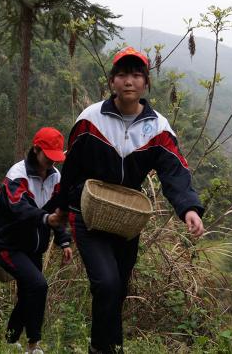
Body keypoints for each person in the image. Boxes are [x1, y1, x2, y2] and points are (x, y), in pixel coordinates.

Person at [59, 47, 205, 354]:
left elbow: (174, 170)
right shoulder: (90, 119)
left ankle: (114, 346)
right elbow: (70, 168)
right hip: (89, 213)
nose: (129, 81)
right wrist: (61, 209)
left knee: (118, 288)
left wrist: (189, 208)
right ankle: (101, 348)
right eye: (122, 74)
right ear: (112, 81)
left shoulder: (158, 128)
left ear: (146, 83)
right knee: (107, 283)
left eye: (136, 75)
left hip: (126, 220)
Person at [0, 127, 73, 354]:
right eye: (48, 157)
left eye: (55, 159)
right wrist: (45, 218)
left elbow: (59, 210)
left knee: (28, 292)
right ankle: (33, 346)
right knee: (38, 286)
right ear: (36, 149)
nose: (51, 163)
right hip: (7, 244)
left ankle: (11, 341)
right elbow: (19, 208)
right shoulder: (17, 175)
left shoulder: (55, 177)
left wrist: (64, 241)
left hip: (34, 247)